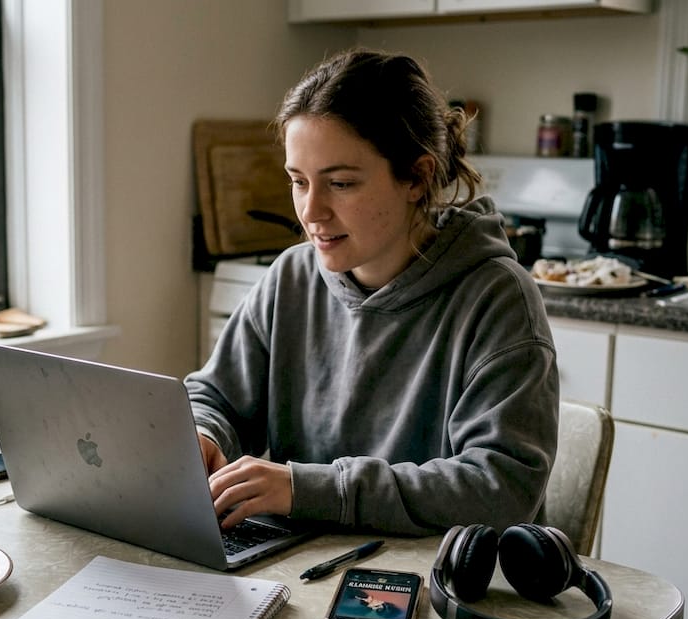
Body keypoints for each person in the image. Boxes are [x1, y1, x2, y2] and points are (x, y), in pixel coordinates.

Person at [185, 48, 559, 536]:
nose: (312, 212)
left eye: (340, 183)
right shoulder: (291, 278)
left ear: (417, 178)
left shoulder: (497, 299)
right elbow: (216, 396)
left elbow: (500, 489)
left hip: (439, 591)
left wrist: (308, 490)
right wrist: (203, 432)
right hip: (308, 571)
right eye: (299, 182)